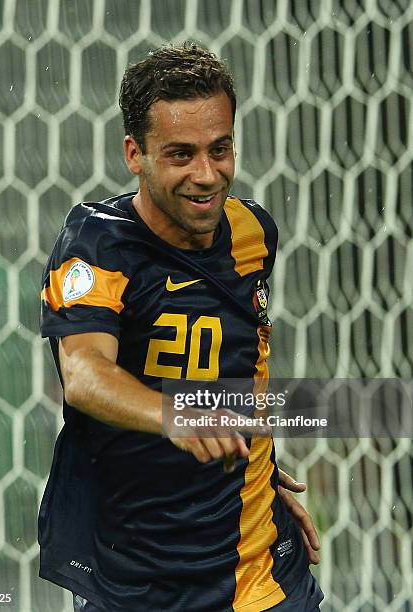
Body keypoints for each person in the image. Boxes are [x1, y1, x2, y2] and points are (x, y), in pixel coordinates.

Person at [39, 42, 323, 611]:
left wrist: (257, 469)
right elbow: (86, 373)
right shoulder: (97, 247)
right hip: (136, 582)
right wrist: (177, 414)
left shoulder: (254, 233)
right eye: (180, 154)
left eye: (220, 150)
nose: (207, 175)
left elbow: (245, 365)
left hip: (261, 575)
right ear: (134, 154)